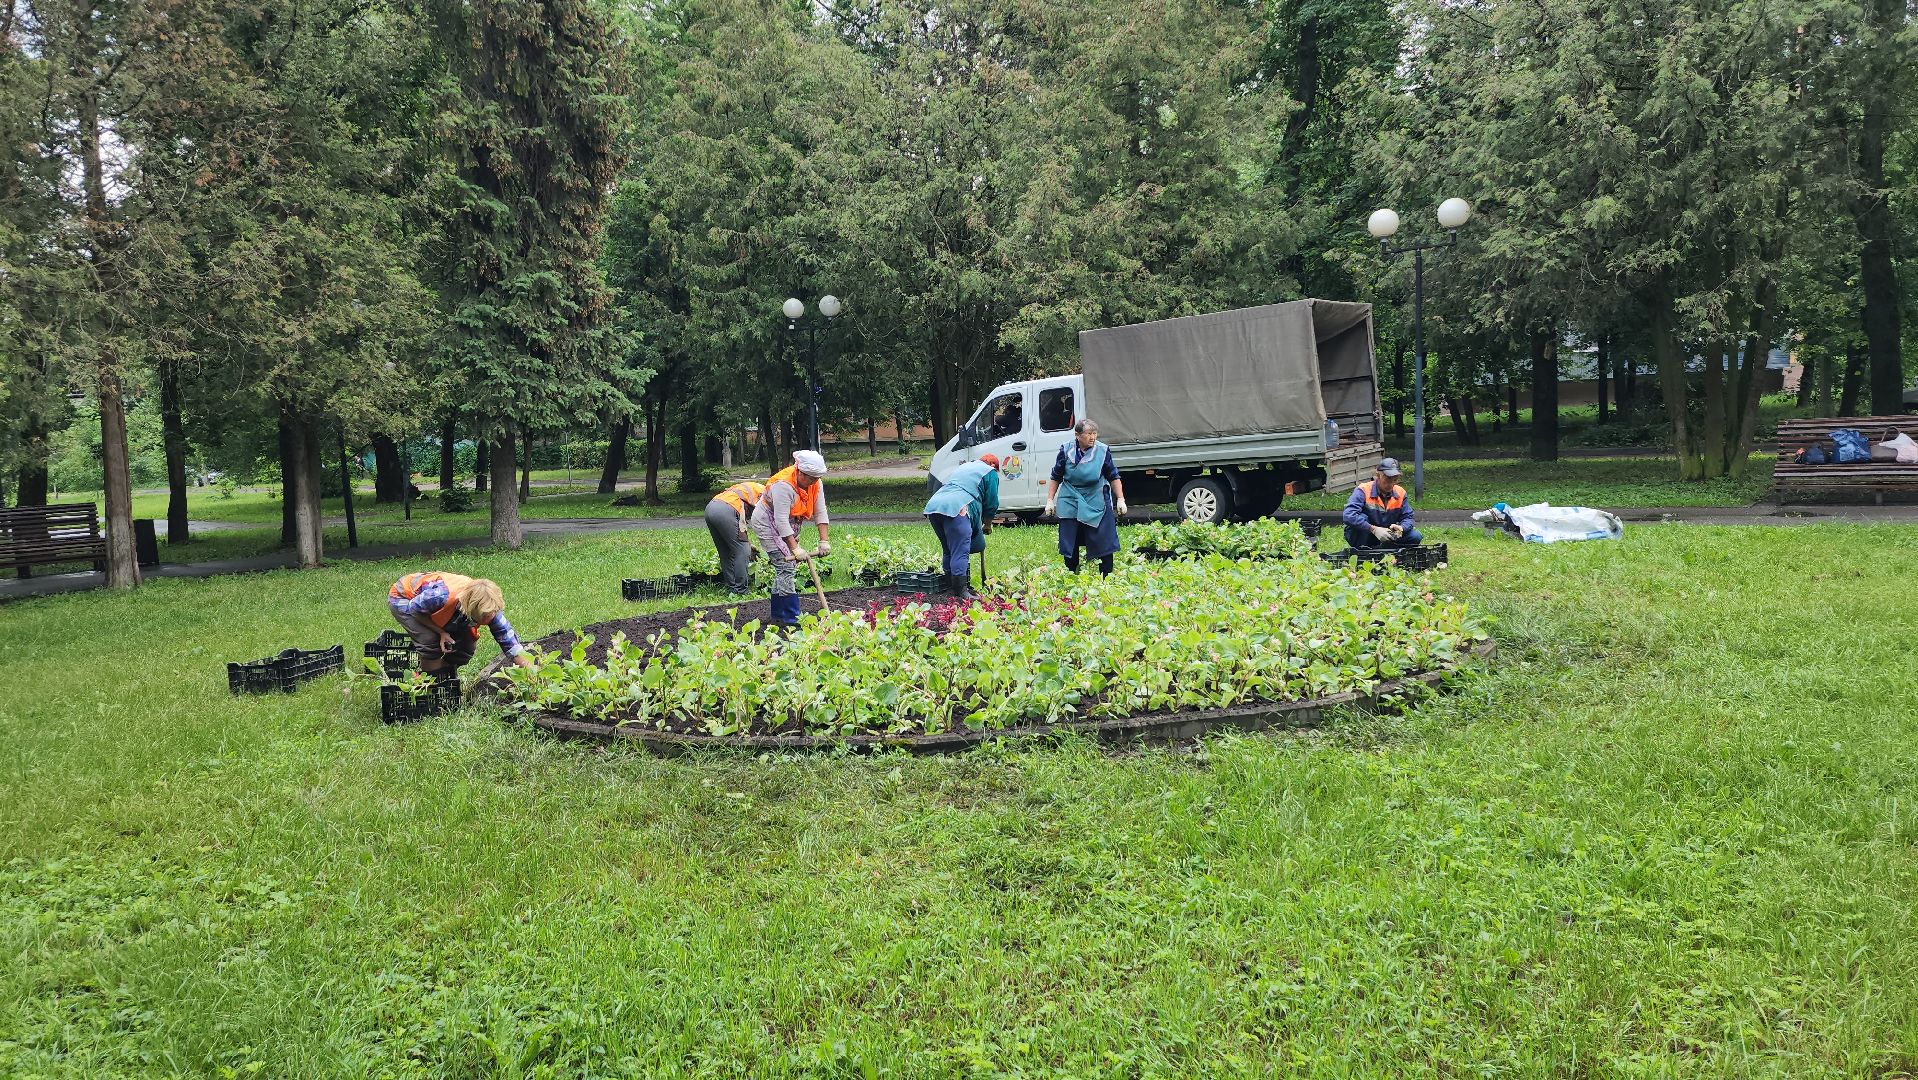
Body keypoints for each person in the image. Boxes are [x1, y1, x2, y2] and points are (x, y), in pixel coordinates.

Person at [387, 571, 535, 674]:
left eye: (492, 615)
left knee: (466, 647)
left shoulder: (489, 607)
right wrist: (441, 632)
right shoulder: (440, 596)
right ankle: (430, 683)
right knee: (430, 641)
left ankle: (442, 674)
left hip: (439, 608)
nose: (489, 620)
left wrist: (533, 673)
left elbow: (510, 644)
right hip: (404, 598)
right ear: (470, 609)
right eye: (483, 617)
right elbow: (415, 610)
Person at [751, 449, 831, 626]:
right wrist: (795, 549)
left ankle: (778, 614)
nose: (812, 482)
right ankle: (791, 616)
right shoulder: (783, 485)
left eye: (816, 478)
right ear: (799, 471)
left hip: (790, 521)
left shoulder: (815, 483)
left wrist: (824, 541)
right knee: (785, 566)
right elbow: (780, 520)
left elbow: (820, 511)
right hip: (767, 521)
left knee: (785, 568)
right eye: (809, 477)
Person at [1044, 419, 1127, 575]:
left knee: (1104, 537)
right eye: (1089, 434)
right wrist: (1050, 500)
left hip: (1095, 495)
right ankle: (1071, 572)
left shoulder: (1102, 451)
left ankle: (1106, 575)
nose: (1092, 437)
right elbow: (1056, 476)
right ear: (1077, 435)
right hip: (1071, 496)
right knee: (1070, 537)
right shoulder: (1066, 450)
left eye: (1095, 433)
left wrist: (1121, 499)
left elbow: (1113, 476)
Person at [923, 453, 1001, 598]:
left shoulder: (965, 466)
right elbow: (992, 503)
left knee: (949, 550)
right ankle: (961, 591)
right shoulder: (990, 472)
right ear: (992, 466)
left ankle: (950, 587)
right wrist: (988, 524)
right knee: (960, 550)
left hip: (935, 506)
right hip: (958, 507)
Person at [1342, 458, 1422, 549]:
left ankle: (1385, 550)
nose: (1391, 484)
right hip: (1366, 534)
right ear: (1377, 476)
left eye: (1395, 480)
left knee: (1415, 536)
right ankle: (1363, 551)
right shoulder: (1363, 490)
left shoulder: (1400, 493)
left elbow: (1408, 517)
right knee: (1362, 518)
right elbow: (1349, 515)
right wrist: (1373, 529)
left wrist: (1401, 528)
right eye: (1388, 479)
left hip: (1387, 534)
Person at [704, 479, 767, 594]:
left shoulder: (752, 488)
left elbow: (742, 522)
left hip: (711, 507)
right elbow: (762, 520)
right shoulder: (766, 494)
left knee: (726, 552)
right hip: (727, 509)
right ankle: (741, 590)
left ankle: (731, 588)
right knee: (743, 551)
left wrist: (746, 541)